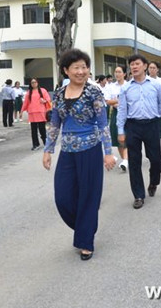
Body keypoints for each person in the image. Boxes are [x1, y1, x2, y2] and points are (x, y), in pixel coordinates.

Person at [43, 48, 116, 261]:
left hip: (90, 150)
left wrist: (108, 152)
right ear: (66, 70)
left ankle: (86, 241)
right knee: (63, 197)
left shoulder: (94, 93)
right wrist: (48, 149)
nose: (81, 71)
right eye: (76, 67)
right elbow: (55, 124)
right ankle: (85, 227)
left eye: (84, 67)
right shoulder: (58, 94)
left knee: (89, 196)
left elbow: (103, 124)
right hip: (67, 151)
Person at [117, 54, 161, 209]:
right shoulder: (126, 88)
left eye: (137, 63)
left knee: (156, 160)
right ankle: (138, 195)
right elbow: (122, 110)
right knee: (134, 162)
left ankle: (154, 182)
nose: (134, 66)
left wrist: (156, 116)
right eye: (131, 64)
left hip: (151, 125)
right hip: (133, 126)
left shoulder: (156, 85)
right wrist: (120, 130)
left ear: (145, 66)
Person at [104, 65, 129, 171]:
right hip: (115, 113)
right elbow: (108, 101)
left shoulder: (129, 85)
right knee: (118, 138)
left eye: (119, 72)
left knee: (127, 137)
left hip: (128, 114)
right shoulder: (111, 86)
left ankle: (126, 160)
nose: (117, 74)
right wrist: (119, 100)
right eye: (116, 71)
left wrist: (116, 100)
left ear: (124, 74)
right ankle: (125, 160)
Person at [22, 78, 51, 150]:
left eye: (35, 82)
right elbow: (26, 102)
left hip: (41, 112)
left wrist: (44, 101)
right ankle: (35, 144)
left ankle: (45, 143)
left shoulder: (43, 90)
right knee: (33, 130)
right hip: (32, 113)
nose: (33, 84)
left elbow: (48, 99)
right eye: (32, 83)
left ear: (37, 83)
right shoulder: (29, 92)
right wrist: (21, 111)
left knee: (42, 129)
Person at [147, 61, 161, 138]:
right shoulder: (145, 80)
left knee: (158, 134)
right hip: (148, 110)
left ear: (157, 70)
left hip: (158, 110)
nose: (152, 70)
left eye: (154, 68)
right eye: (150, 68)